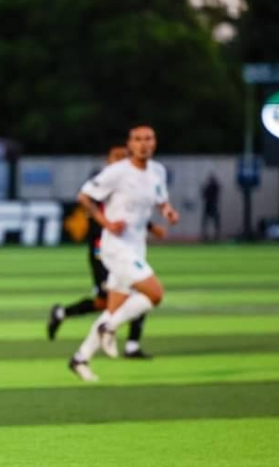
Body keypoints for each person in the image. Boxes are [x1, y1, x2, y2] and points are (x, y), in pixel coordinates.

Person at [68, 125, 180, 382]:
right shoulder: (117, 172)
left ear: (155, 142)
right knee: (154, 294)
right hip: (116, 247)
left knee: (114, 308)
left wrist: (168, 212)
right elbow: (84, 196)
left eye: (148, 139)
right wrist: (106, 222)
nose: (143, 144)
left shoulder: (157, 171)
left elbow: (161, 199)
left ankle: (80, 358)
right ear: (130, 144)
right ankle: (110, 328)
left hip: (137, 245)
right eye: (138, 139)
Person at [47, 146, 166, 358]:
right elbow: (93, 212)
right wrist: (107, 227)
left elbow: (132, 215)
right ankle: (67, 317)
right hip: (103, 251)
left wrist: (149, 226)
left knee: (134, 293)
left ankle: (127, 345)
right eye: (116, 156)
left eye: (124, 156)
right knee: (113, 300)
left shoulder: (129, 182)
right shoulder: (103, 184)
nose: (121, 159)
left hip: (125, 250)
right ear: (108, 160)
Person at [201, 173, 221, 242]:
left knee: (215, 221)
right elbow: (204, 195)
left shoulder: (215, 186)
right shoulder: (208, 187)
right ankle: (206, 235)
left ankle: (216, 235)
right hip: (208, 205)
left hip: (213, 205)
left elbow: (216, 191)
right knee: (206, 221)